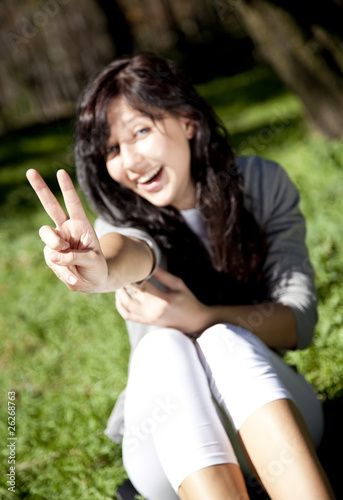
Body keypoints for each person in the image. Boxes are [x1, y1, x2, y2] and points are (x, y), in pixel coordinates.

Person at [27, 52, 335, 500]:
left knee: (223, 338)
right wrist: (103, 266)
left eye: (141, 131)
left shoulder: (260, 184)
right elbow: (133, 250)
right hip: (168, 450)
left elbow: (299, 320)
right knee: (163, 348)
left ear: (188, 121)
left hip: (269, 417)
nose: (129, 161)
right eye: (111, 149)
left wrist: (202, 317)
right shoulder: (120, 221)